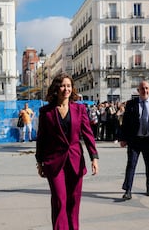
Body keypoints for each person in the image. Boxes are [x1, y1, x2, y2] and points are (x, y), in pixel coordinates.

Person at [35, 73, 99, 230]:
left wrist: (94, 157)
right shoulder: (46, 111)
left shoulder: (79, 109)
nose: (66, 89)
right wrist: (39, 161)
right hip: (54, 161)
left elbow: (88, 134)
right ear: (57, 88)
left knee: (74, 200)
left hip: (75, 160)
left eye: (69, 86)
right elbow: (41, 138)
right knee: (59, 200)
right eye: (63, 86)